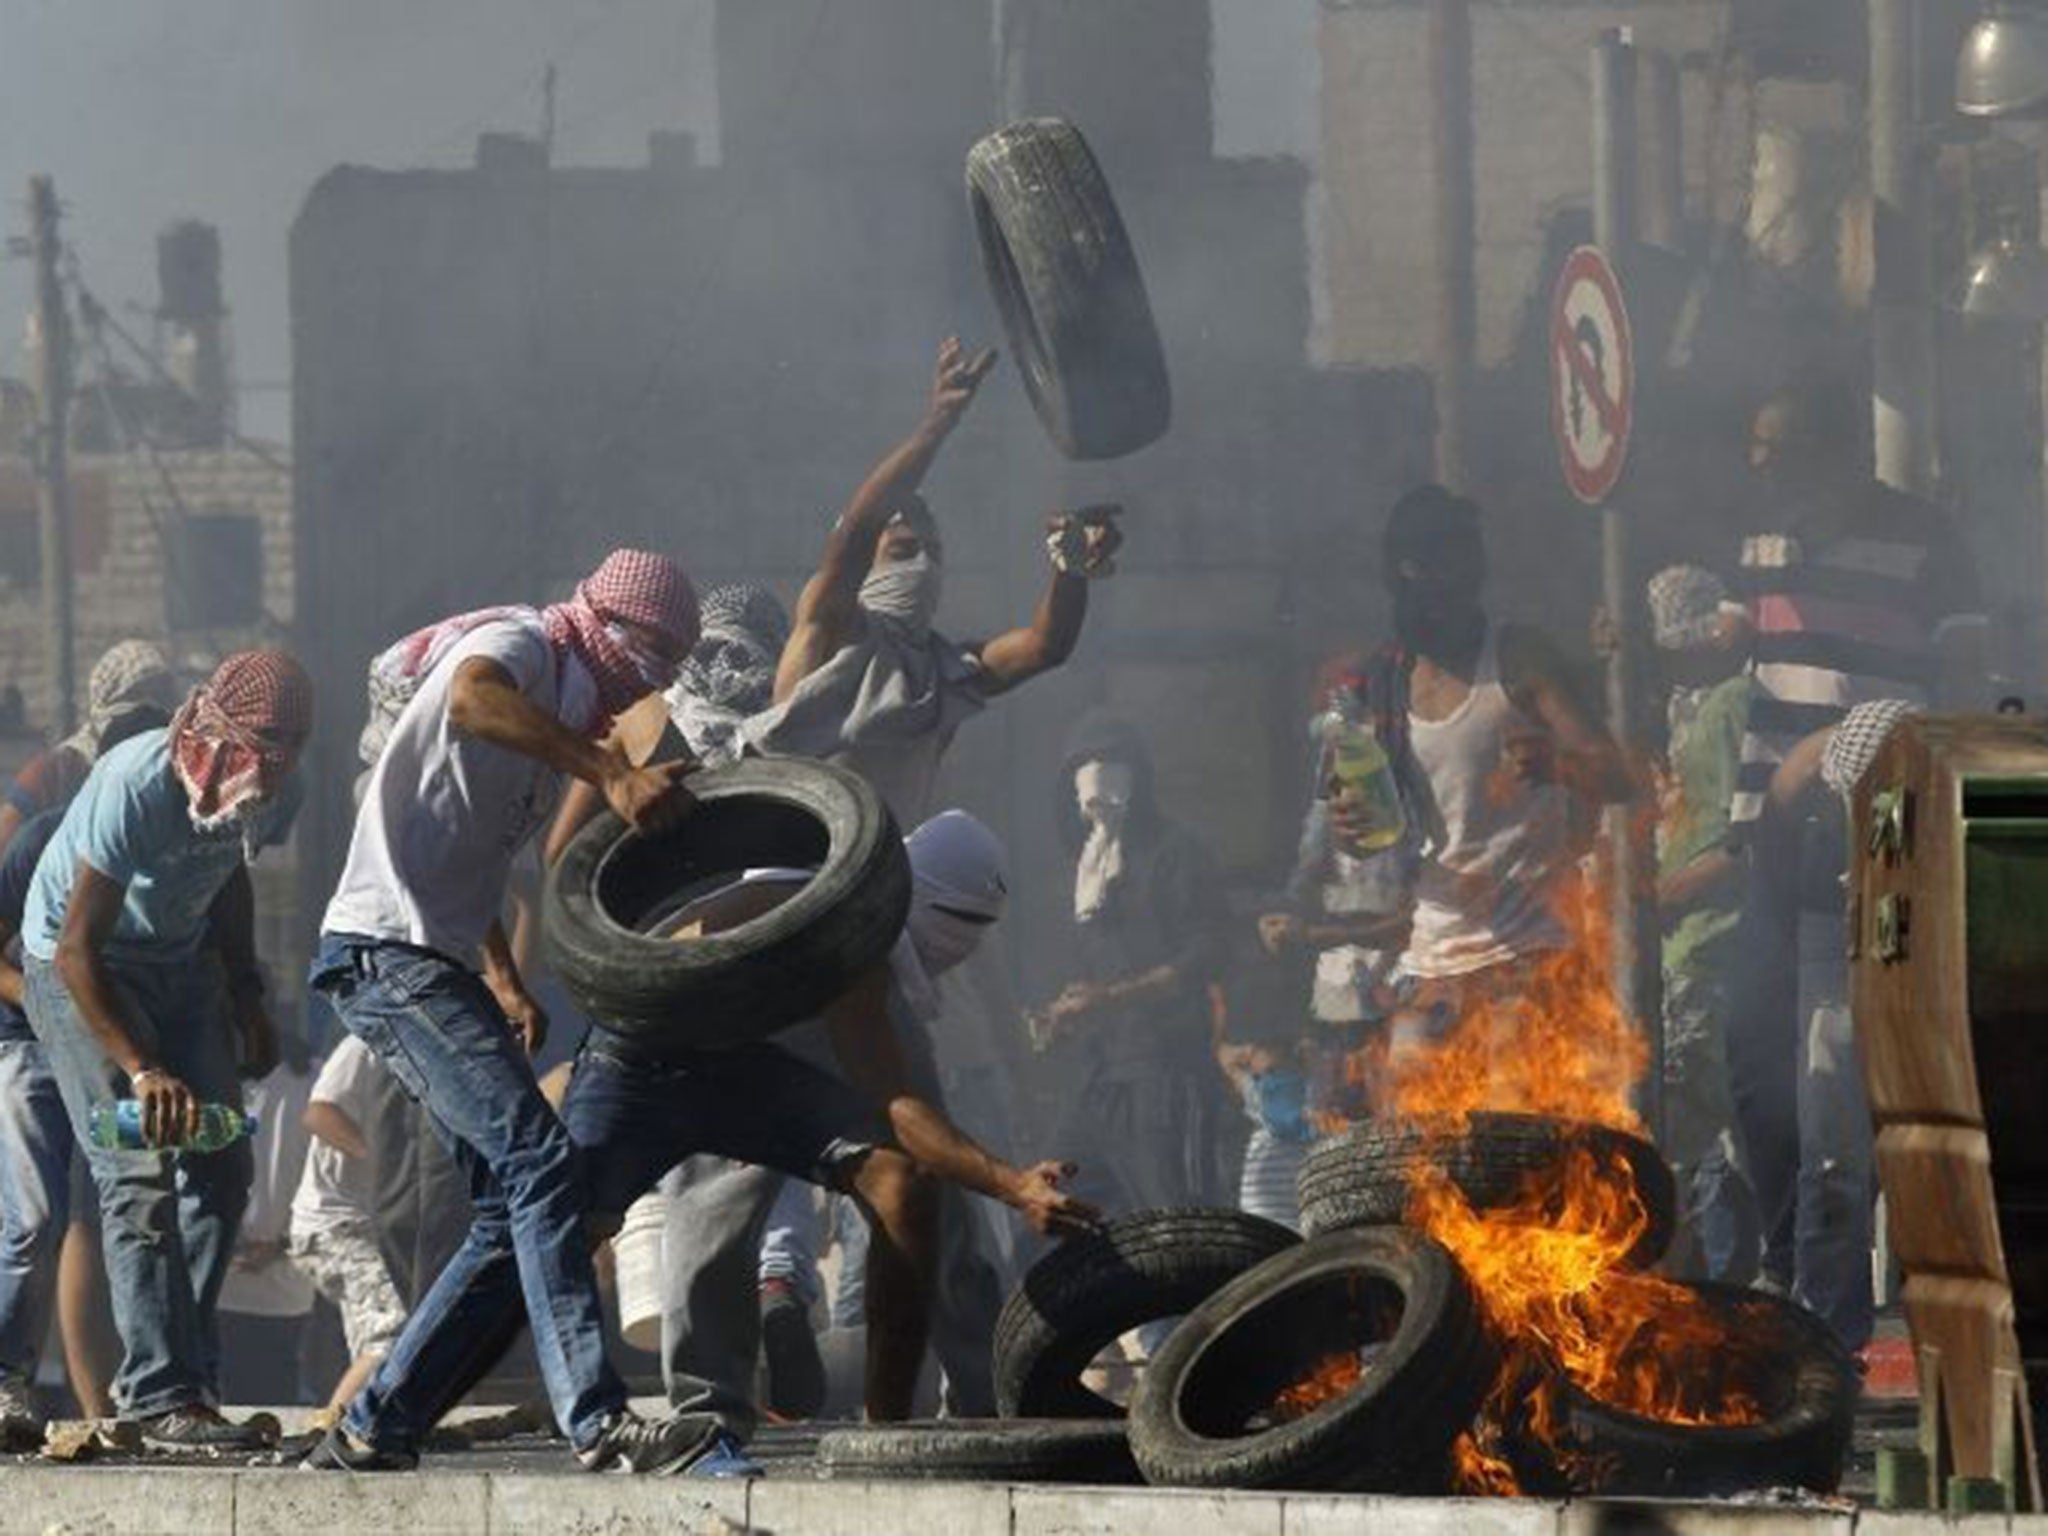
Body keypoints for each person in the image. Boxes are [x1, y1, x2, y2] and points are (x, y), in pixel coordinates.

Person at [315, 810, 1097, 1460]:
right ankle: (384, 1412)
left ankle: (884, 1432)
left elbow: (897, 1104)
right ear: (921, 895)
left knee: (900, 1179)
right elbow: (657, 956)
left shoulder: (863, 952)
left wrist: (1009, 1181)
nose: (969, 945)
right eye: (962, 922)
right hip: (642, 1062)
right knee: (550, 1225)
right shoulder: (801, 899)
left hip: (750, 1078)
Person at [302, 549, 715, 1476]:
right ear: (614, 628)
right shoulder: (521, 646)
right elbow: (470, 701)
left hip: (440, 960)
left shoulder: (566, 707)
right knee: (538, 1158)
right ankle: (597, 1421)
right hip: (383, 952)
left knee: (509, 1201)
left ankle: (378, 1420)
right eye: (658, 655)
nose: (657, 681)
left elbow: (462, 854)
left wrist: (503, 974)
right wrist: (604, 770)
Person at [20, 651, 311, 1450]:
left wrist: (247, 992)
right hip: (80, 969)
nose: (229, 778)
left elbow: (232, 872)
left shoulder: (284, 789)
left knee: (221, 1165)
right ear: (200, 734)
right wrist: (143, 1070)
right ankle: (158, 1395)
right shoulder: (135, 783)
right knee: (136, 1168)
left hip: (182, 968)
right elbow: (78, 947)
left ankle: (184, 1370)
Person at [748, 336, 1119, 823]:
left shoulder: (943, 671)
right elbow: (860, 526)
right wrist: (939, 423)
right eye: (903, 546)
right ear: (865, 564)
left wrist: (1069, 568)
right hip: (796, 865)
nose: (920, 561)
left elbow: (1045, 647)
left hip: (883, 877)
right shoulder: (832, 622)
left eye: (933, 551)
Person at [1352, 486, 1630, 1074]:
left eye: (1440, 565)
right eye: (1411, 571)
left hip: (1528, 959)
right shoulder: (1383, 681)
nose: (1426, 587)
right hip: (1429, 964)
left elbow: (1615, 774)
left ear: (1468, 570)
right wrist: (1354, 828)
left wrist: (1556, 766)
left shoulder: (1517, 656)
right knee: (1415, 1152)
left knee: (1515, 1149)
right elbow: (1372, 838)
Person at [1739, 699, 1917, 1353]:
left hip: (1915, 964)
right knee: (1834, 1158)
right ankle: (1826, 1337)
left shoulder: (1928, 789)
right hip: (1832, 947)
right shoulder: (1813, 811)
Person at [1033, 712, 1230, 1215]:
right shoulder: (1082, 867)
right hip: (1097, 1081)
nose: (1100, 776)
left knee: (1179, 1225)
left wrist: (1112, 997)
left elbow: (1206, 954)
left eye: (1114, 764)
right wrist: (1062, 1011)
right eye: (1086, 765)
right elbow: (1090, 969)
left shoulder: (1176, 852)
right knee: (1050, 1206)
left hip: (1166, 1076)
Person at [1644, 565, 1759, 1282]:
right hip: (1696, 948)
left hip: (1709, 947)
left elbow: (1740, 841)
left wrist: (1665, 894)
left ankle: (1707, 1290)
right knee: (1719, 1128)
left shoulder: (1729, 705)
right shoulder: (1700, 706)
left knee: (1693, 1133)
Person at [288, 1034, 410, 1418]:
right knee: (394, 1329)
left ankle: (361, 1424)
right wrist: (384, 1168)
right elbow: (320, 1113)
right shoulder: (365, 1045)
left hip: (372, 1227)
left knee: (384, 1339)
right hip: (334, 1224)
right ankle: (332, 1426)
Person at [0, 640, 179, 862]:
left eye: (162, 694)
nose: (150, 707)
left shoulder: (176, 777)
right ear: (107, 698)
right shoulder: (56, 771)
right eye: (137, 694)